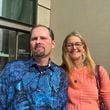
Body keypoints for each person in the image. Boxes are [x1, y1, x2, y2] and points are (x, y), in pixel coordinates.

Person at [0, 25, 68, 110]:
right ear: (30, 45)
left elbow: (62, 107)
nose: (38, 41)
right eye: (34, 39)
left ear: (53, 44)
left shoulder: (60, 74)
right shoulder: (12, 69)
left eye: (43, 38)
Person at [61, 31, 110, 110]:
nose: (74, 48)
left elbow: (107, 100)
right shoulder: (60, 72)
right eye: (70, 45)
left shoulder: (98, 71)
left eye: (77, 44)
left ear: (84, 48)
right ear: (65, 49)